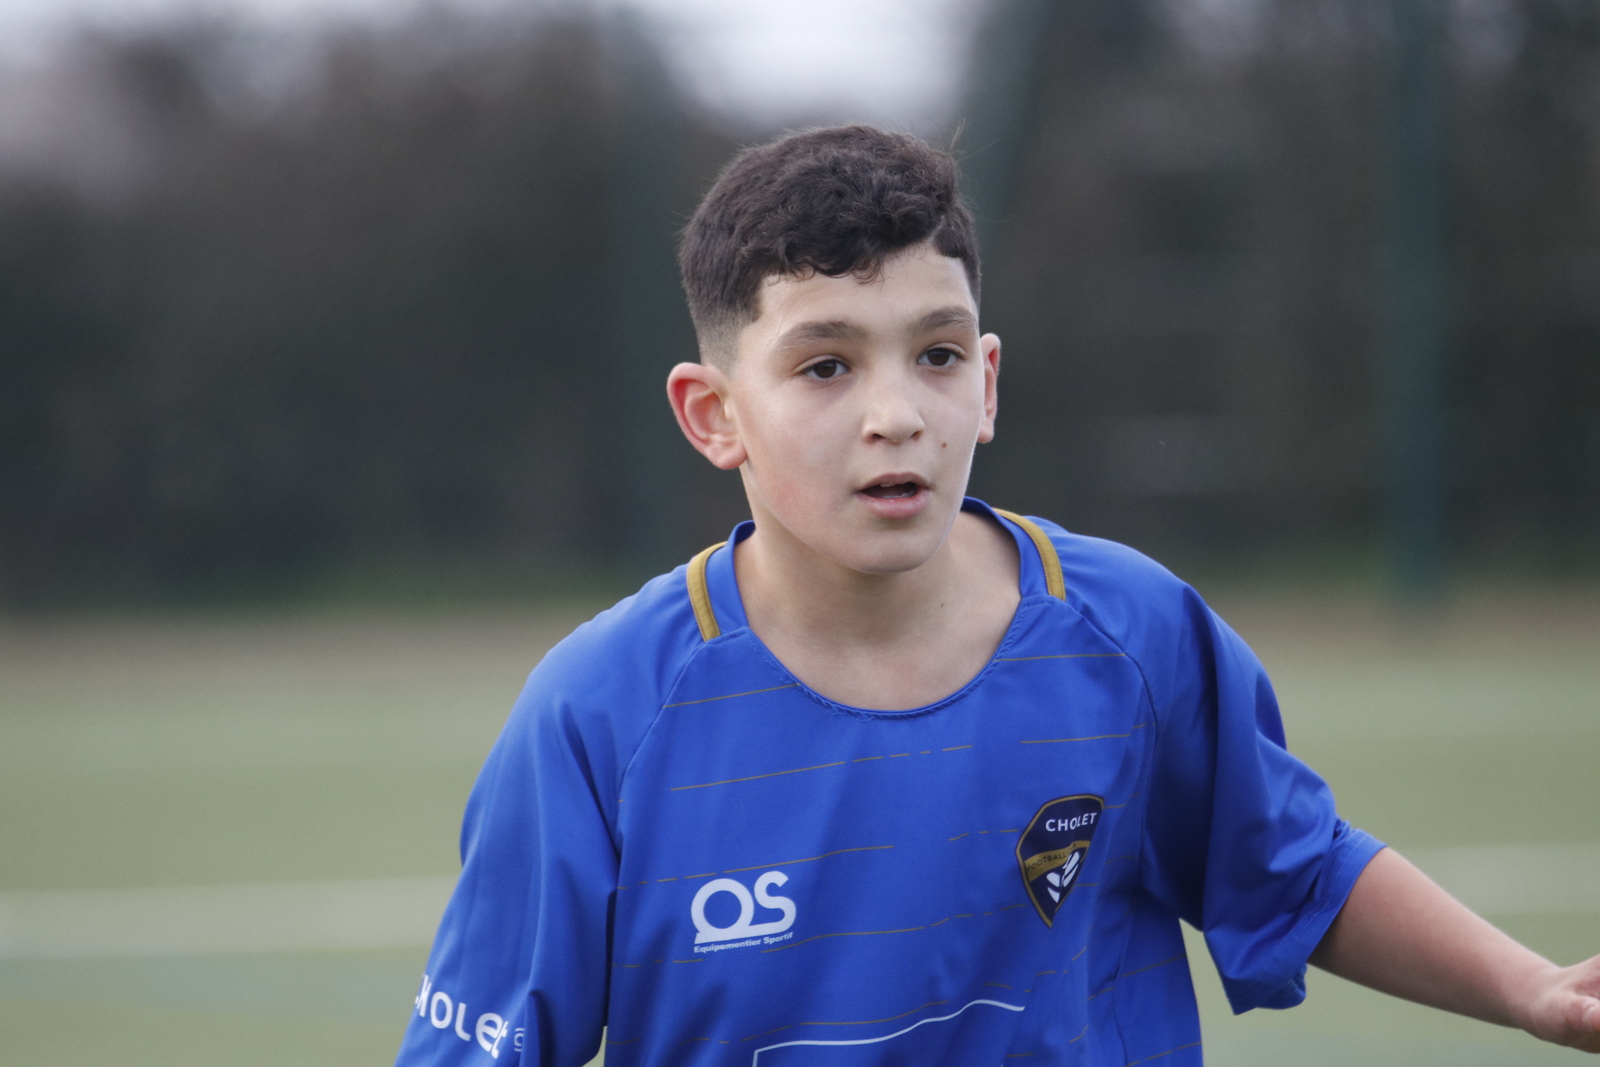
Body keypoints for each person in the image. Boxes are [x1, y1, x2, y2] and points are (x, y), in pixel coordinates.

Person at [392, 125, 1600, 1067]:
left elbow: (1295, 868)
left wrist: (1533, 989)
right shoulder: (601, 712)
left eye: (936, 353)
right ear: (714, 415)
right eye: (825, 364)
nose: (896, 413)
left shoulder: (1127, 632)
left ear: (987, 384)